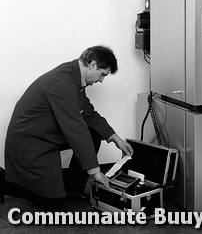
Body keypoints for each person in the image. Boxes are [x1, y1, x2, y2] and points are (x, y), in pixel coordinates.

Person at [3, 45, 133, 210]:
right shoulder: (62, 83)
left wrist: (115, 139)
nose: (101, 80)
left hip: (45, 135)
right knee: (54, 203)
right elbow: (75, 129)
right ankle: (6, 183)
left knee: (93, 134)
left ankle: (72, 188)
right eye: (102, 75)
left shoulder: (74, 78)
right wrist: (95, 172)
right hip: (30, 144)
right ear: (92, 64)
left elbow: (88, 113)